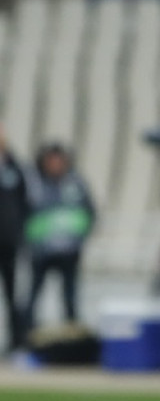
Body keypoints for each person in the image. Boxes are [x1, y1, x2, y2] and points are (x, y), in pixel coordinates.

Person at [24, 142, 95, 333]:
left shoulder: (76, 183)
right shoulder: (34, 184)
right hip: (41, 251)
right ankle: (25, 332)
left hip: (69, 250)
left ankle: (72, 332)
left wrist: (79, 238)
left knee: (70, 295)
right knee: (33, 293)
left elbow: (89, 212)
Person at [0, 124, 28, 352]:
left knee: (12, 294)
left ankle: (15, 341)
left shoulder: (14, 167)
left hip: (8, 242)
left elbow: (25, 201)